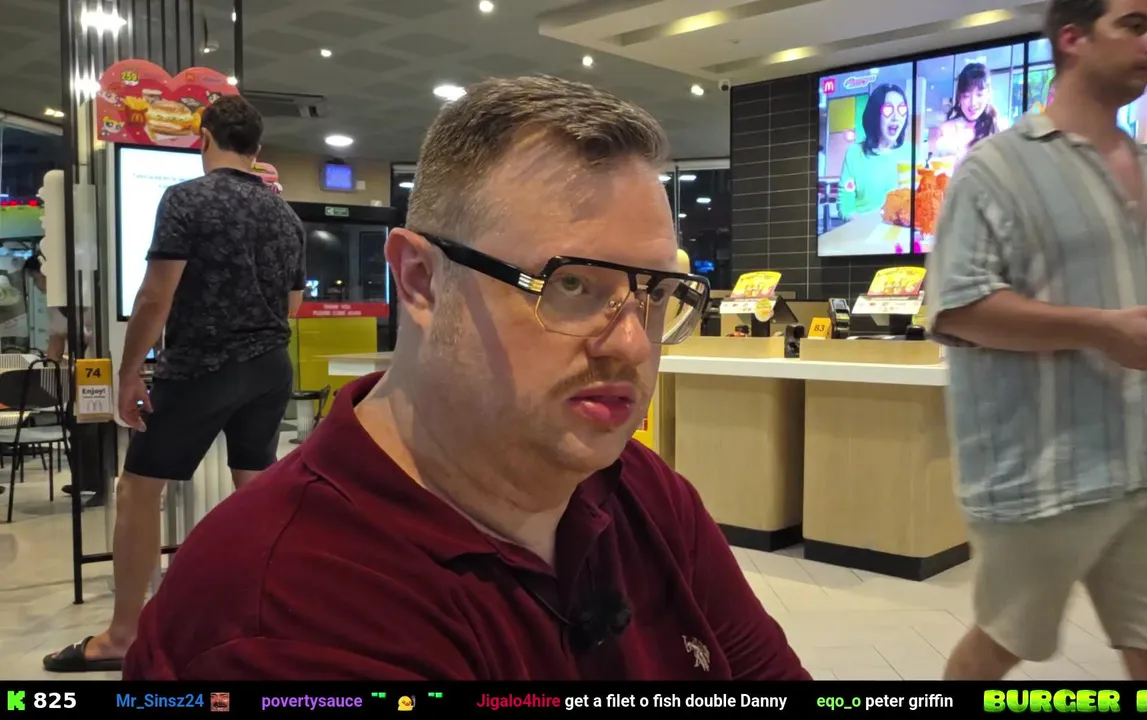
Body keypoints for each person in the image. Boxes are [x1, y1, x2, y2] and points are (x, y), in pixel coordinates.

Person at [122, 75, 809, 681]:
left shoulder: (642, 493)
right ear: (421, 280)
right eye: (571, 284)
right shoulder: (285, 612)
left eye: (656, 293)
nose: (631, 343)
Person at [926, 0, 1147, 682]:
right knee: (998, 646)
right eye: (1135, 25)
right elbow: (957, 306)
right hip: (1041, 472)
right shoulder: (994, 169)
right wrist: (1101, 331)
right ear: (1073, 38)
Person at [43, 95, 305, 672]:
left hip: (202, 366)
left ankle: (122, 636)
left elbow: (154, 296)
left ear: (203, 139)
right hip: (270, 366)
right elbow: (292, 305)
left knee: (139, 490)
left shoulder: (187, 198)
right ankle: (264, 620)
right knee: (256, 491)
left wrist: (129, 370)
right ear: (257, 149)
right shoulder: (285, 215)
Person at [837, 83, 910, 219]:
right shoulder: (854, 153)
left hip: (901, 230)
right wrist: (867, 225)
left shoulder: (912, 153)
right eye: (888, 110)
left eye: (901, 109)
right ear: (875, 114)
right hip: (862, 229)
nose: (896, 116)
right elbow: (845, 206)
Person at [933, 63, 1005, 161]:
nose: (973, 103)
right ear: (959, 97)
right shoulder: (947, 130)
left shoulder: (998, 127)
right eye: (966, 96)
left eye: (979, 95)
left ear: (988, 95)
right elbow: (936, 166)